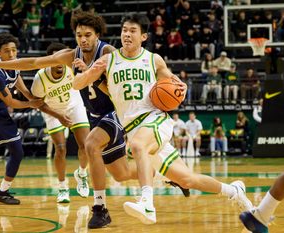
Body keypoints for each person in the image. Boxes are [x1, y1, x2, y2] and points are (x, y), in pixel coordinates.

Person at [0, 12, 151, 228]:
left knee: (90, 144)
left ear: (97, 35)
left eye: (88, 35)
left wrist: (91, 75)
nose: (83, 40)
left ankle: (100, 209)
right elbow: (34, 62)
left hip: (115, 113)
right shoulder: (71, 55)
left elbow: (120, 88)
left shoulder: (108, 52)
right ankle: (159, 170)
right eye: (78, 35)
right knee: (121, 174)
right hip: (95, 116)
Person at [72, 13, 253, 225]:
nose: (127, 35)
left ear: (144, 36)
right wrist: (89, 72)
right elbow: (77, 85)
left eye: (132, 31)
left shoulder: (153, 59)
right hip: (133, 127)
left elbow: (172, 82)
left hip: (155, 119)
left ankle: (147, 203)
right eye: (124, 30)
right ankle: (234, 190)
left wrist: (180, 88)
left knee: (138, 146)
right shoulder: (108, 60)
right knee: (187, 179)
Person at [0, 33, 69, 211]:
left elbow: (23, 89)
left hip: (1, 114)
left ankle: (2, 191)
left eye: (14, 50)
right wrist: (32, 103)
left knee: (18, 152)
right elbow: (11, 102)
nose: (12, 54)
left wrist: (37, 100)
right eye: (7, 51)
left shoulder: (16, 67)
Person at [31, 42, 90, 203]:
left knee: (86, 146)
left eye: (62, 60)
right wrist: (58, 115)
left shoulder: (72, 67)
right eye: (55, 60)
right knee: (60, 148)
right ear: (49, 61)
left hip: (73, 105)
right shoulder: (40, 79)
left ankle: (82, 173)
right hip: (52, 111)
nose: (60, 64)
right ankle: (63, 187)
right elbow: (38, 103)